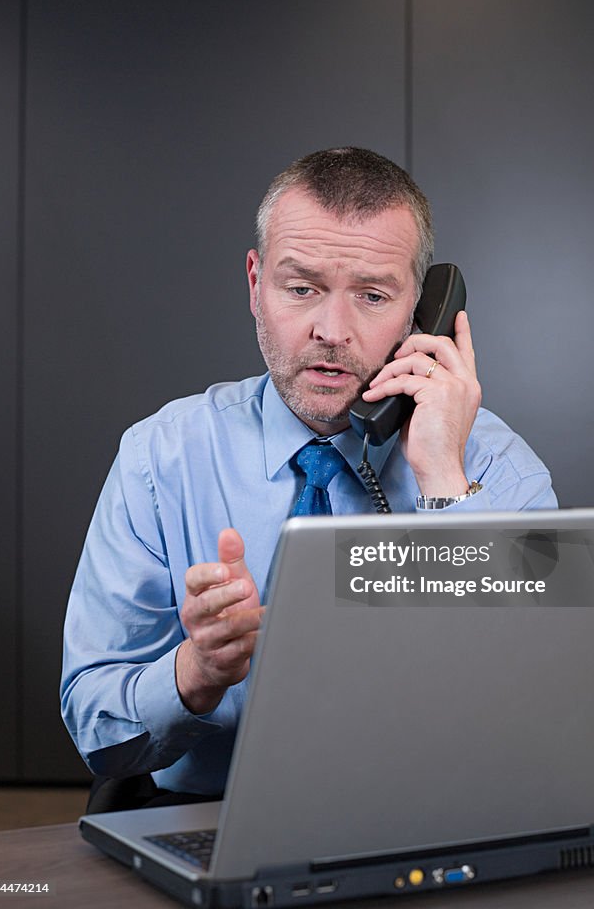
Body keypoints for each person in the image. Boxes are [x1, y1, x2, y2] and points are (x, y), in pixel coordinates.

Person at [61, 147, 556, 806]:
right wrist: (195, 673)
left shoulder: (492, 467)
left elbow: (527, 710)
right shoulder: (163, 457)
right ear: (254, 283)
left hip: (428, 814)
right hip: (204, 816)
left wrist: (442, 481)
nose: (331, 330)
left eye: (373, 296)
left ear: (424, 310)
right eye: (301, 289)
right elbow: (96, 728)